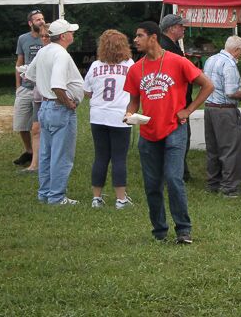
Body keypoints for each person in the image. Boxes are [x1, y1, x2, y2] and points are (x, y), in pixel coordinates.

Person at [124, 21, 214, 244]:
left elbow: (208, 85)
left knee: (174, 179)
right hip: (148, 133)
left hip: (174, 128)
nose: (135, 40)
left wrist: (188, 110)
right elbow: (134, 101)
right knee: (152, 185)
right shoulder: (136, 69)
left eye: (140, 35)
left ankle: (183, 230)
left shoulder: (178, 62)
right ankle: (159, 231)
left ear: (153, 37)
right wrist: (129, 114)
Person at [25, 18, 84, 206]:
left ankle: (45, 192)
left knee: (47, 153)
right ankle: (57, 196)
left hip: (46, 106)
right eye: (71, 32)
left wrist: (45, 84)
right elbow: (58, 85)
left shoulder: (44, 51)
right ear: (64, 36)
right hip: (59, 108)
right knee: (61, 155)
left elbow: (29, 74)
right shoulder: (61, 54)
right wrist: (68, 102)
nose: (73, 34)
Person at [83, 29, 135, 209]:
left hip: (98, 116)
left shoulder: (95, 66)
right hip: (120, 115)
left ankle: (96, 198)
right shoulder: (130, 65)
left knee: (100, 156)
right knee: (119, 158)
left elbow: (87, 92)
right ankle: (120, 199)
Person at [202, 36, 241, 198]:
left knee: (213, 148)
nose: (240, 56)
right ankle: (229, 187)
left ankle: (213, 183)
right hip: (225, 110)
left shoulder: (210, 60)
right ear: (236, 50)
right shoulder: (229, 64)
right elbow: (231, 92)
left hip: (209, 108)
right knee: (231, 148)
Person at [159, 13, 194, 182]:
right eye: (181, 26)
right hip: (174, 102)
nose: (184, 28)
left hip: (176, 100)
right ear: (172, 28)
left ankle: (180, 171)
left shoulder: (171, 45)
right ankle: (175, 174)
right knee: (178, 140)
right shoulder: (166, 48)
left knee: (180, 138)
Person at [12, 9, 45, 167]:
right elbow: (19, 62)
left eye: (42, 18)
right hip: (26, 88)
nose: (41, 21)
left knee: (38, 125)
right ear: (30, 23)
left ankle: (40, 155)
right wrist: (18, 86)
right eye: (38, 19)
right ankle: (29, 151)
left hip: (42, 88)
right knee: (21, 123)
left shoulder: (48, 38)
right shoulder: (23, 39)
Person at [19, 24, 52, 174]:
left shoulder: (58, 53)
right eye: (42, 36)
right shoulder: (41, 53)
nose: (43, 39)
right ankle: (34, 164)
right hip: (39, 95)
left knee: (52, 130)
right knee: (36, 129)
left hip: (53, 98)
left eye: (47, 36)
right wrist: (26, 73)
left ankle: (51, 162)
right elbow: (31, 72)